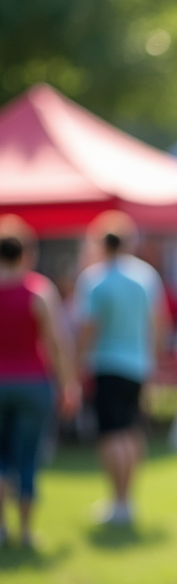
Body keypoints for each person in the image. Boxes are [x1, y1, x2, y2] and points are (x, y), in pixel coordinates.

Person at [75, 211, 167, 527]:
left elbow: (88, 328)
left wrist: (77, 364)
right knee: (130, 432)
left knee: (112, 434)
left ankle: (119, 500)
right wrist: (153, 359)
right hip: (138, 364)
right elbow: (159, 323)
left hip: (106, 364)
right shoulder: (146, 277)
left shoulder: (94, 280)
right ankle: (126, 500)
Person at [0, 216, 80, 548]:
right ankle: (28, 531)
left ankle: (2, 530)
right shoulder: (38, 290)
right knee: (29, 458)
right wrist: (68, 384)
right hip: (34, 384)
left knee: (2, 459)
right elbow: (58, 342)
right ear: (27, 253)